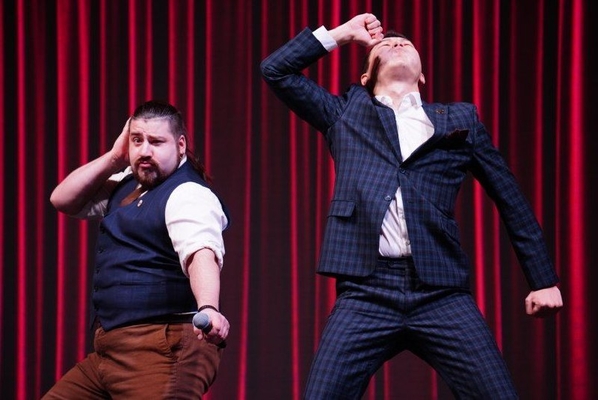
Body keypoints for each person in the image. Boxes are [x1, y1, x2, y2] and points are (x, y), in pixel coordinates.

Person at [261, 13, 563, 399]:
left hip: (441, 291)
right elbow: (275, 70)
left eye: (405, 43)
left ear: (422, 77)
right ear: (366, 78)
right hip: (366, 291)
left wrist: (543, 280)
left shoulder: (460, 119)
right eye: (385, 45)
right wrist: (343, 34)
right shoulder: (345, 113)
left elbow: (511, 199)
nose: (397, 43)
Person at [45, 100, 230, 399]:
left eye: (156, 142)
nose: (144, 151)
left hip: (160, 348)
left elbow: (200, 253)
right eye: (137, 140)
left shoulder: (188, 193)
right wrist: (114, 157)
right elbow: (63, 199)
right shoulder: (127, 182)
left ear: (180, 145)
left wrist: (208, 307)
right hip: (109, 350)